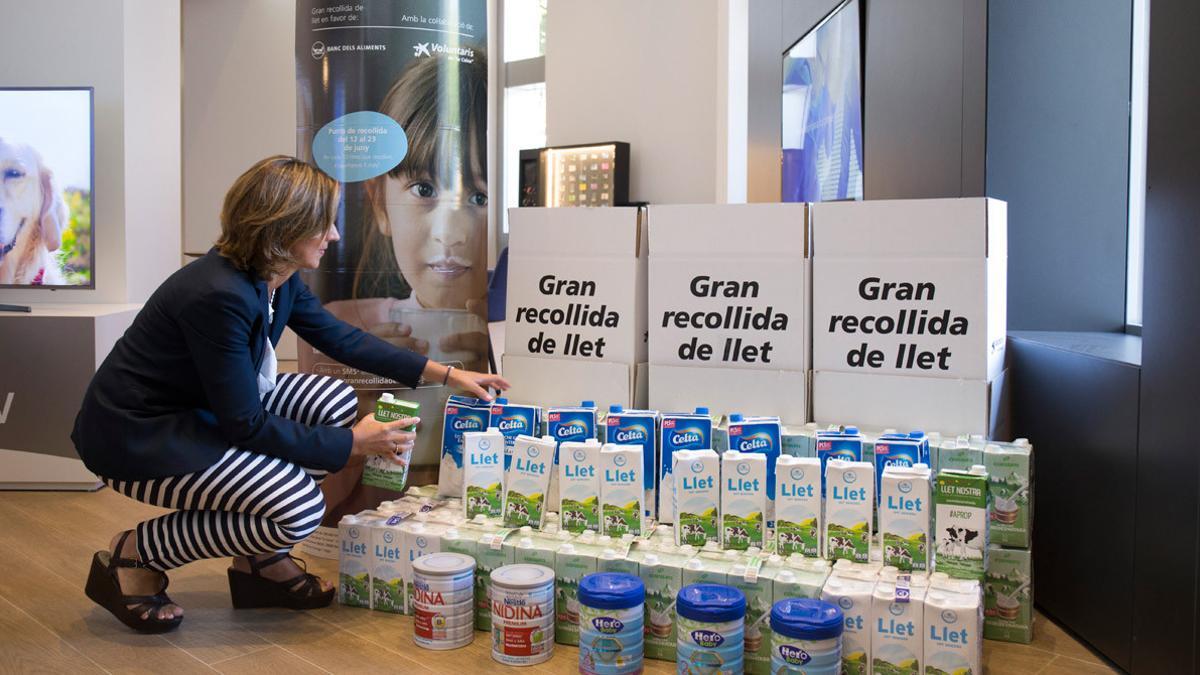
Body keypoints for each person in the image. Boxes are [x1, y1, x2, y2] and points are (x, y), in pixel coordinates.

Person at [71, 156, 508, 633]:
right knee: (298, 507)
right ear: (283, 227)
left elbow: (340, 339)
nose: (335, 236)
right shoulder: (218, 295)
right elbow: (245, 425)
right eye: (324, 224)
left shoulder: (274, 275)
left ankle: (258, 561)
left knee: (334, 403)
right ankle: (130, 555)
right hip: (136, 438)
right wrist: (353, 446)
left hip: (199, 413)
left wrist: (445, 374)